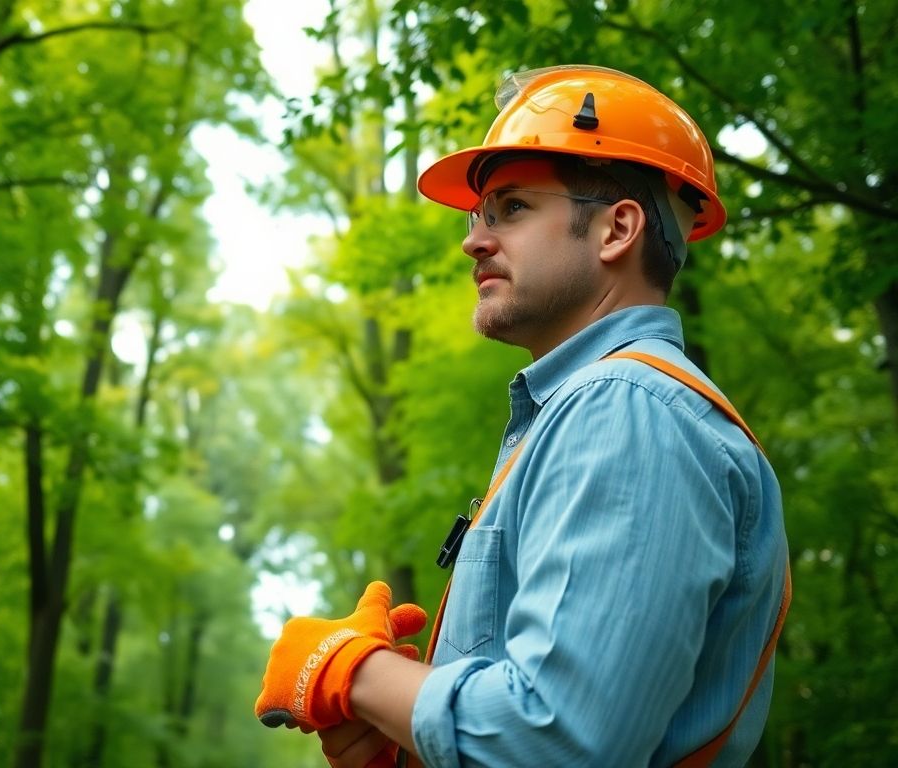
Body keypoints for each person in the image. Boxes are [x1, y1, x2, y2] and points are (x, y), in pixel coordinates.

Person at [254, 65, 791, 767]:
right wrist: (407, 738)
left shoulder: (626, 411)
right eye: (479, 215)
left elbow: (556, 740)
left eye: (510, 209)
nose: (473, 241)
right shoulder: (591, 414)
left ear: (616, 230)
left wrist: (352, 671)